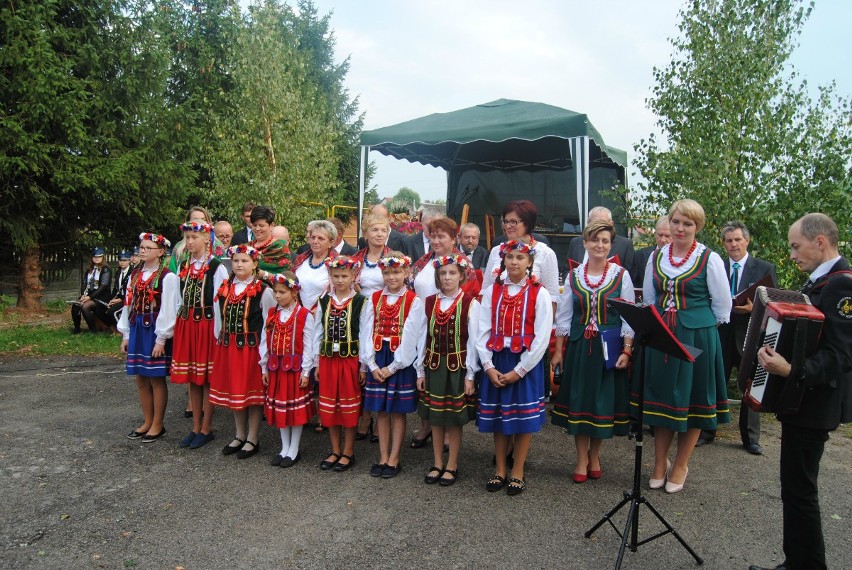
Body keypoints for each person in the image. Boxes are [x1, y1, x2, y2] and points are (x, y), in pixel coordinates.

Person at [749, 213, 852, 570]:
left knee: (800, 490)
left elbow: (841, 355)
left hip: (816, 403)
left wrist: (793, 370)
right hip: (803, 402)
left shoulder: (842, 285)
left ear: (820, 241)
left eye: (796, 246)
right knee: (795, 489)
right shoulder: (819, 284)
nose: (792, 254)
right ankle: (796, 562)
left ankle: (807, 565)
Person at [640, 199, 731, 494]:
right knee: (662, 398)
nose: (680, 228)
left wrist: (694, 328)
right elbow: (650, 299)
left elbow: (722, 307)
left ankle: (681, 464)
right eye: (676, 222)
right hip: (662, 336)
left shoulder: (710, 259)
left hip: (698, 335)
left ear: (698, 227)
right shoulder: (656, 256)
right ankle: (659, 462)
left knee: (692, 401)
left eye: (687, 223)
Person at [550, 220, 635, 483]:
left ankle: (595, 455)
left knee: (601, 404)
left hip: (608, 349)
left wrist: (627, 350)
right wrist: (559, 351)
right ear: (585, 243)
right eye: (595, 240)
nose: (600, 245)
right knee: (580, 401)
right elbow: (564, 316)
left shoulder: (621, 275)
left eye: (605, 241)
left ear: (611, 245)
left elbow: (629, 317)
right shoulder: (575, 276)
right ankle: (581, 458)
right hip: (578, 347)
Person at [477, 240, 553, 495]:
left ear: (529, 262)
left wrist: (520, 369)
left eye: (520, 257)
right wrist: (487, 365)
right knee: (499, 418)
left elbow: (542, 337)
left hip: (524, 365)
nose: (514, 262)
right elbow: (482, 330)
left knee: (522, 421)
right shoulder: (492, 291)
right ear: (503, 260)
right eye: (510, 257)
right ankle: (499, 469)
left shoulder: (538, 292)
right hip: (497, 361)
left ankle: (518, 470)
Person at [696, 221, 776, 454]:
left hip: (749, 334)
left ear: (747, 241)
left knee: (750, 384)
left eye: (737, 239)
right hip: (719, 331)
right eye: (729, 240)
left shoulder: (763, 267)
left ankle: (750, 438)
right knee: (712, 381)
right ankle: (707, 431)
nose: (733, 244)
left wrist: (754, 309)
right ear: (723, 244)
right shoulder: (715, 265)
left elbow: (773, 303)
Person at [408, 216, 477, 449]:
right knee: (427, 379)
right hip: (423, 321)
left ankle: (448, 430)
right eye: (433, 235)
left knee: (448, 382)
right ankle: (427, 424)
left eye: (441, 236)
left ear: (453, 238)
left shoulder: (462, 263)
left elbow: (468, 298)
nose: (436, 240)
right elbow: (410, 286)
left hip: (452, 327)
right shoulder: (422, 262)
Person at [413, 254, 480, 486]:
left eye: (452, 273)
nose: (447, 277)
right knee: (435, 417)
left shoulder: (471, 303)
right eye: (443, 273)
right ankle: (436, 462)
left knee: (453, 419)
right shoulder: (429, 302)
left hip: (456, 368)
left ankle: (452, 463)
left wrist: (471, 375)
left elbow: (473, 342)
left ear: (461, 275)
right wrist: (420, 371)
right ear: (437, 277)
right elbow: (423, 337)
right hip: (433, 367)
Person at [209, 244, 275, 459]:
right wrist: (220, 339)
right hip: (229, 347)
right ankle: (239, 434)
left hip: (251, 349)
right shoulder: (225, 287)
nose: (239, 264)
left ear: (255, 264)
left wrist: (265, 354)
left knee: (252, 395)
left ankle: (252, 437)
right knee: (235, 392)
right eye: (236, 260)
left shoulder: (264, 291)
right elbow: (219, 317)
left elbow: (268, 324)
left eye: (245, 261)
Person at [312, 256, 374, 472]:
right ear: (330, 276)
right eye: (335, 276)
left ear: (353, 276)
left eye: (344, 276)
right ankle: (334, 449)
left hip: (350, 362)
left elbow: (366, 335)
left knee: (348, 408)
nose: (339, 280)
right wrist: (316, 363)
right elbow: (317, 334)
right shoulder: (324, 302)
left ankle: (348, 451)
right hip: (328, 361)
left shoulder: (361, 302)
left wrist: (364, 366)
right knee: (330, 407)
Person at [171, 222, 229, 450]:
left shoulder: (216, 267)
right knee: (192, 378)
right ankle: (195, 426)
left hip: (207, 325)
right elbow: (178, 297)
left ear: (207, 239)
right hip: (188, 324)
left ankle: (206, 427)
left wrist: (218, 334)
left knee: (205, 378)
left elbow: (219, 303)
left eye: (194, 236)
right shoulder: (184, 265)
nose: (189, 241)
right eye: (187, 237)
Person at [363, 252, 421, 478]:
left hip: (399, 361)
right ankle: (382, 456)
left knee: (397, 412)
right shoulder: (374, 298)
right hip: (378, 358)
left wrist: (394, 366)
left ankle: (394, 457)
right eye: (386, 272)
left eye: (396, 272)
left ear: (406, 273)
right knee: (381, 412)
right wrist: (371, 363)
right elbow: (366, 331)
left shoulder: (413, 301)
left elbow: (411, 337)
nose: (391, 277)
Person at [118, 233, 178, 443]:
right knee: (141, 378)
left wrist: (161, 339)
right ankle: (147, 420)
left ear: (161, 252)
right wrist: (125, 333)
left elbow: (170, 309)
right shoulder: (134, 274)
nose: (142, 250)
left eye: (148, 248)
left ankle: (158, 424)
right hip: (137, 328)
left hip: (153, 330)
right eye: (141, 247)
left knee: (155, 377)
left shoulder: (167, 277)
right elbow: (128, 303)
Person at [261, 272, 316, 468]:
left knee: (295, 411)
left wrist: (306, 371)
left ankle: (294, 448)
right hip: (276, 368)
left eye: (282, 292)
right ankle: (284, 447)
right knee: (281, 409)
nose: (277, 296)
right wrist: (263, 367)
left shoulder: (304, 314)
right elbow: (264, 341)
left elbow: (309, 344)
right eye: (275, 292)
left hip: (295, 369)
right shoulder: (272, 314)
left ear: (294, 292)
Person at [482, 200, 560, 300]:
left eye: (513, 222)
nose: (508, 226)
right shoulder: (496, 251)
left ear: (528, 223)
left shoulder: (545, 253)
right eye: (506, 221)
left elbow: (552, 298)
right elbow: (485, 290)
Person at [567, 206, 635, 274]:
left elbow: (631, 275)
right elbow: (566, 270)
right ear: (588, 223)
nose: (599, 227)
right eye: (595, 223)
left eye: (603, 224)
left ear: (611, 224)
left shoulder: (625, 245)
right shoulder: (575, 242)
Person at [293, 220, 338, 312]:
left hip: (324, 314)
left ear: (331, 242)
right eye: (313, 237)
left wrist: (320, 309)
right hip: (298, 314)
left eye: (320, 238)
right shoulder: (300, 260)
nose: (315, 241)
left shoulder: (337, 264)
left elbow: (340, 292)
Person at [168, 206, 226, 273]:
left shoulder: (217, 246)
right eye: (195, 220)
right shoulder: (179, 248)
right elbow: (173, 272)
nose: (199, 222)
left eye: (203, 220)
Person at [72, 247, 112, 334]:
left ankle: (93, 330)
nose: (96, 259)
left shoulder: (106, 269)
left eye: (99, 257)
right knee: (76, 305)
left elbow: (103, 286)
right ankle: (77, 329)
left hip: (102, 297)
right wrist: (83, 294)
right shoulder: (90, 268)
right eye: (94, 257)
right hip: (90, 295)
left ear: (102, 258)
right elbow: (84, 283)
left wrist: (89, 297)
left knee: (85, 306)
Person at [249, 206, 292, 277]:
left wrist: (264, 275)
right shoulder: (247, 247)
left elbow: (286, 278)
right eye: (254, 225)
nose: (257, 229)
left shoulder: (280, 246)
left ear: (271, 225)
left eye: (261, 225)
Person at [632, 217, 671, 291]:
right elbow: (635, 284)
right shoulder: (640, 255)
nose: (663, 239)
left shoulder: (682, 257)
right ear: (655, 234)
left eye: (667, 236)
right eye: (660, 235)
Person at [99, 249, 133, 327]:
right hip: (119, 298)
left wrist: (120, 299)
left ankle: (120, 331)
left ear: (129, 261)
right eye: (120, 260)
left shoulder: (132, 272)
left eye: (124, 260)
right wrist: (111, 300)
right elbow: (115, 289)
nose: (122, 262)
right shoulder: (118, 272)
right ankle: (111, 327)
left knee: (112, 312)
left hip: (127, 299)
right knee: (99, 309)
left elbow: (132, 291)